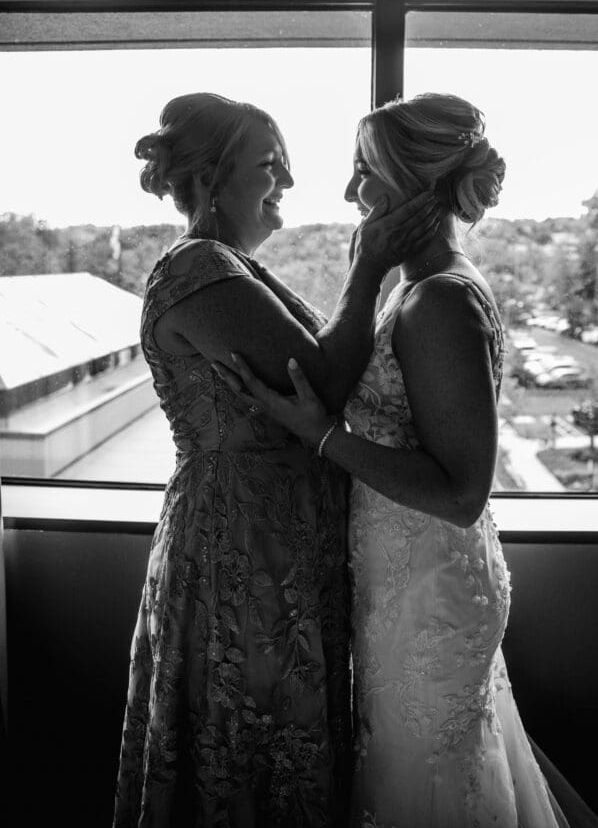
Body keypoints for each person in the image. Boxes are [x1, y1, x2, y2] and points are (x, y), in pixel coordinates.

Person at [214, 93, 598, 828]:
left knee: (425, 782)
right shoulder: (414, 287)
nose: (347, 192)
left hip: (427, 586)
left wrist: (320, 435)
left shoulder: (439, 303)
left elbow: (461, 490)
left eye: (363, 172)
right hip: (407, 572)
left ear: (412, 183)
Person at [112, 92, 440, 828]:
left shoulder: (229, 266)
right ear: (204, 178)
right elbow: (319, 384)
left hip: (281, 545)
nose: (288, 182)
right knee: (247, 747)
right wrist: (368, 268)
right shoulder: (198, 269)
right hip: (242, 552)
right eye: (269, 165)